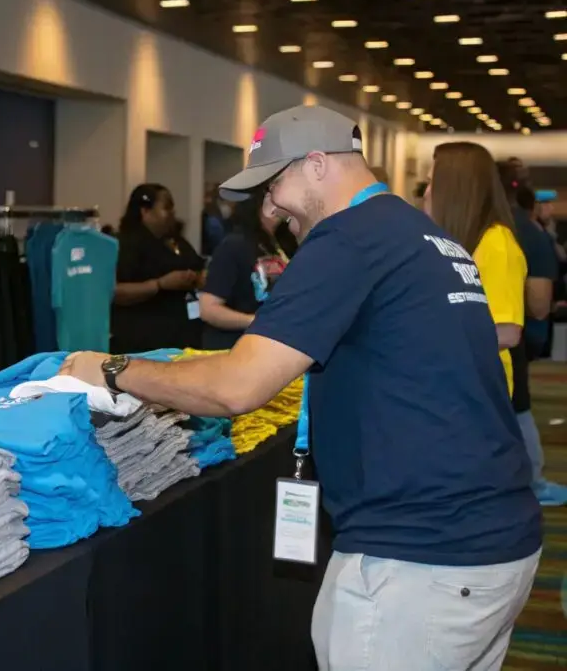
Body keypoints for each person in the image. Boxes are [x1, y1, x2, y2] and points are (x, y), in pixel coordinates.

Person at [61, 105, 541, 670]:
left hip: (423, 554)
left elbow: (237, 387)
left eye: (274, 185)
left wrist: (112, 369)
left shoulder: (348, 240)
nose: (268, 208)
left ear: (317, 165)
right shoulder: (424, 234)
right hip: (488, 536)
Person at [424, 142, 526, 398]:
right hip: (449, 390)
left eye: (431, 183)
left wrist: (424, 342)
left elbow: (506, 331)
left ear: (454, 190)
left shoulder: (496, 244)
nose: (426, 193)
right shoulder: (453, 243)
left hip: (475, 396)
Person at [508, 183, 567, 505]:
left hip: (505, 335)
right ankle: (533, 481)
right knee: (518, 406)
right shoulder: (525, 234)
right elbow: (541, 304)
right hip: (517, 334)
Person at [111, 183, 205, 354]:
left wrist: (195, 278)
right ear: (145, 211)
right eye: (166, 208)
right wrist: (160, 284)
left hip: (183, 334)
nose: (172, 213)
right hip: (144, 339)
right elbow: (115, 291)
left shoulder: (176, 241)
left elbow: (198, 267)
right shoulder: (126, 244)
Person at [199, 186, 288, 349]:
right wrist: (254, 321)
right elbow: (208, 308)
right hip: (235, 346)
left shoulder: (276, 243)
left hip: (268, 343)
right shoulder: (234, 245)